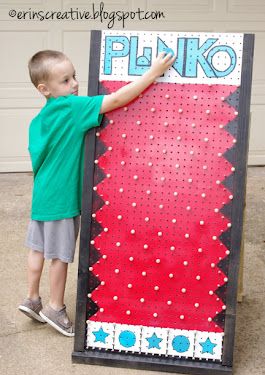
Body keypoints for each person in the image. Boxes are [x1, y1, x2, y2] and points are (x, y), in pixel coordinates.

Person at [18, 48, 176, 337]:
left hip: (41, 195)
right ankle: (55, 307)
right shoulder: (72, 108)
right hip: (63, 200)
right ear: (46, 89)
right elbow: (116, 100)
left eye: (73, 76)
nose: (74, 84)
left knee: (37, 249)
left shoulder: (38, 121)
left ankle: (31, 298)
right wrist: (153, 73)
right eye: (65, 81)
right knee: (61, 256)